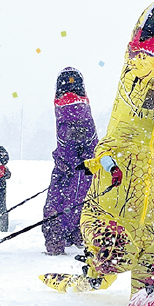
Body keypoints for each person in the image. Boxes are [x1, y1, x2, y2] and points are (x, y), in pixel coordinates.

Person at [41, 0, 154, 294]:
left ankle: (146, 302)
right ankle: (93, 274)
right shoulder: (126, 119)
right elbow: (105, 149)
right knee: (116, 252)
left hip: (151, 223)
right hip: (109, 216)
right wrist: (110, 167)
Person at [43, 68, 99, 256]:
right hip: (83, 167)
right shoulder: (81, 107)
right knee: (82, 203)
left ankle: (58, 239)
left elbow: (69, 143)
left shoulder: (64, 107)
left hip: (70, 166)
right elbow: (87, 142)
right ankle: (77, 235)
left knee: (57, 205)